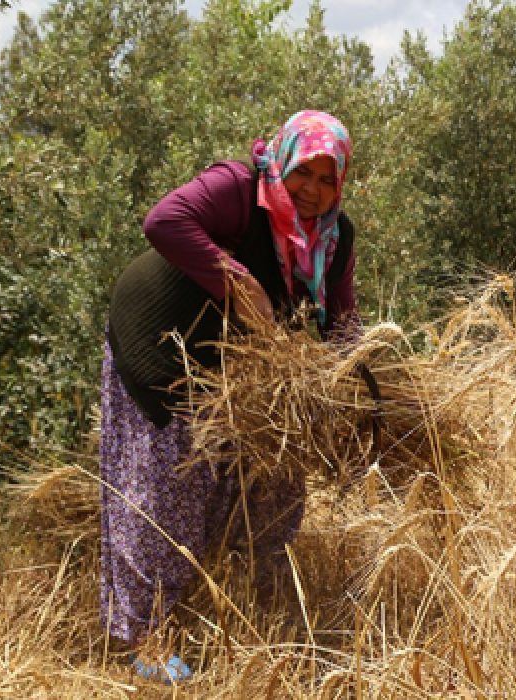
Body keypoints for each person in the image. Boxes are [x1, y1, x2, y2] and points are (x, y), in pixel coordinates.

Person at [99, 110, 358, 683]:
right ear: (284, 162)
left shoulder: (334, 239)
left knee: (277, 483)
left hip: (235, 366)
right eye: (303, 174)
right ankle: (144, 642)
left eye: (327, 179)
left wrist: (367, 388)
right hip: (162, 342)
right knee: (166, 486)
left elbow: (342, 326)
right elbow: (163, 220)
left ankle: (245, 611)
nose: (312, 191)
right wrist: (236, 279)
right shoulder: (238, 189)